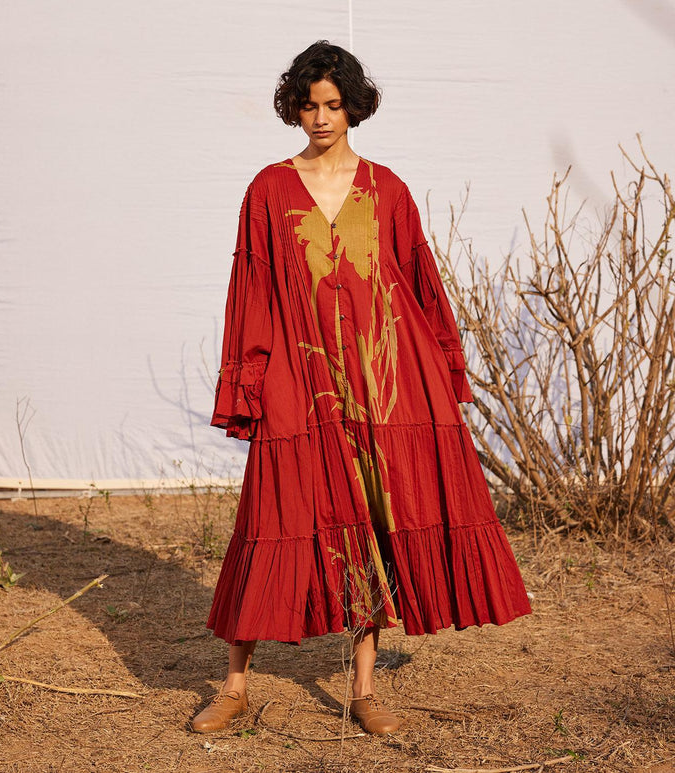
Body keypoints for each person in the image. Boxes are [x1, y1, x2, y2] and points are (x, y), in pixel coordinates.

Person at [189, 40, 531, 735]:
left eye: (333, 105)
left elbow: (418, 284)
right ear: (294, 108)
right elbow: (252, 289)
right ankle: (234, 684)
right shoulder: (268, 190)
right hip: (298, 378)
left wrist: (439, 367)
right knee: (270, 517)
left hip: (382, 384)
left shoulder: (387, 189)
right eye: (309, 105)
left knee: (372, 521)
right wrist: (251, 379)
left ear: (353, 108)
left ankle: (365, 689)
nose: (320, 118)